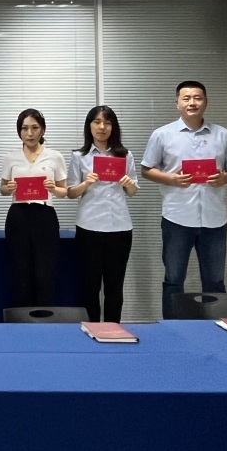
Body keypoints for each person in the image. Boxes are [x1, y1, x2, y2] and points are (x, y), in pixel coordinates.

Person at [141, 81, 227, 319]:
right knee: (174, 279)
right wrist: (171, 179)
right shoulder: (162, 135)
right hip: (177, 218)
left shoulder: (223, 134)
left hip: (214, 219)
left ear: (205, 102)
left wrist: (224, 178)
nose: (192, 103)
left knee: (215, 281)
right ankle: (172, 328)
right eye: (186, 98)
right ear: (177, 103)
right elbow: (146, 170)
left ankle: (216, 327)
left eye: (197, 97)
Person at [67, 106, 138, 323]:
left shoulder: (124, 155)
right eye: (97, 122)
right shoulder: (79, 156)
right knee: (89, 287)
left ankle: (113, 330)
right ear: (89, 126)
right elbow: (71, 192)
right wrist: (86, 183)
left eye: (107, 123)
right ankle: (91, 329)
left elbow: (133, 192)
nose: (102, 127)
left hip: (119, 228)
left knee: (114, 287)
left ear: (113, 127)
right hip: (89, 227)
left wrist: (128, 183)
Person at [0, 108, 67, 309]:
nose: (29, 133)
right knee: (20, 271)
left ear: (42, 130)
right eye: (24, 128)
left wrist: (53, 188)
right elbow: (2, 189)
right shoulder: (11, 157)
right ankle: (21, 319)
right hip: (18, 216)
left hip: (44, 216)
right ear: (19, 131)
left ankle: (44, 317)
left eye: (35, 128)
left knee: (44, 272)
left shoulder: (54, 156)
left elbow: (64, 191)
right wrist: (8, 188)